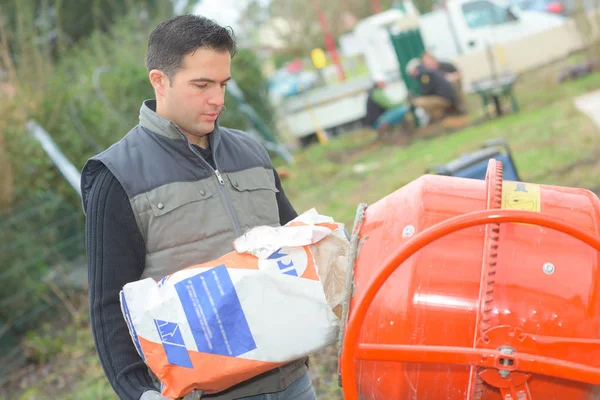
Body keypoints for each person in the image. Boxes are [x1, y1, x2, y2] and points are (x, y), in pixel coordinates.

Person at [80, 15, 316, 400]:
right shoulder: (117, 177)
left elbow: (296, 248)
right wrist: (138, 392)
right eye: (202, 85)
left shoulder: (251, 152)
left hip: (293, 382)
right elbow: (108, 306)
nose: (218, 100)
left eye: (223, 84)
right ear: (160, 80)